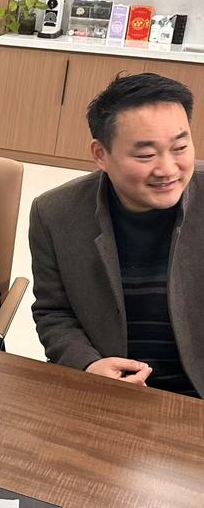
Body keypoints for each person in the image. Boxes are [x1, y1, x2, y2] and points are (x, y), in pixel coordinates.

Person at [30, 73, 202, 397]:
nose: (168, 169)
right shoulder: (54, 213)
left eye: (180, 147)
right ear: (101, 154)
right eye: (146, 155)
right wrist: (88, 365)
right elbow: (54, 313)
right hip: (107, 391)